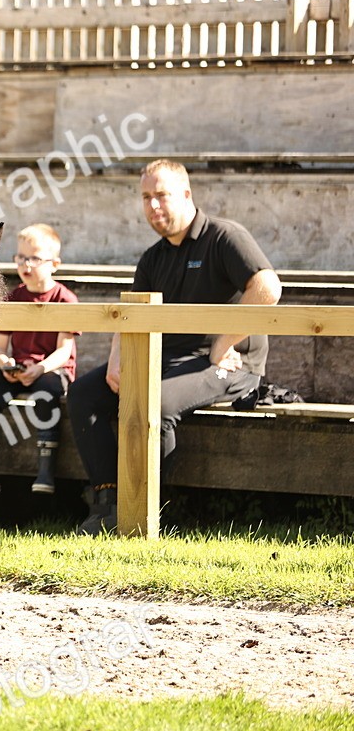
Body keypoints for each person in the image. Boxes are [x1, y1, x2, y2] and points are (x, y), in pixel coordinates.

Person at [67, 159, 282, 534]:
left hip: (231, 365)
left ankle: (149, 515)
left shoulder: (224, 236)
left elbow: (267, 288)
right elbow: (128, 315)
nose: (153, 206)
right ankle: (107, 506)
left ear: (186, 194)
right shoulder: (154, 256)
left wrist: (222, 343)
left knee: (157, 403)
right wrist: (117, 361)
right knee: (85, 393)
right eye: (146, 197)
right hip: (164, 359)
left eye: (162, 195)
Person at [0, 224, 79, 503]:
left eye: (34, 258)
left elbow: (64, 351)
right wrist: (7, 365)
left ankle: (45, 472)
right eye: (20, 258)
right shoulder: (14, 297)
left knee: (46, 393)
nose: (25, 265)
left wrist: (40, 369)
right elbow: (0, 349)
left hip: (52, 369)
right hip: (20, 367)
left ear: (54, 264)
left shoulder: (64, 299)